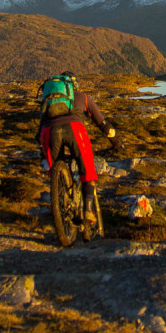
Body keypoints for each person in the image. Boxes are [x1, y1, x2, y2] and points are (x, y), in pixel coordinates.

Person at [36, 71, 120, 224]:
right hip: (74, 129)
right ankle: (88, 210)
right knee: (87, 167)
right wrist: (117, 143)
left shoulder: (50, 101)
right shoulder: (83, 97)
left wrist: (42, 151)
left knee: (56, 168)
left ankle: (59, 203)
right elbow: (103, 124)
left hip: (48, 132)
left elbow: (40, 128)